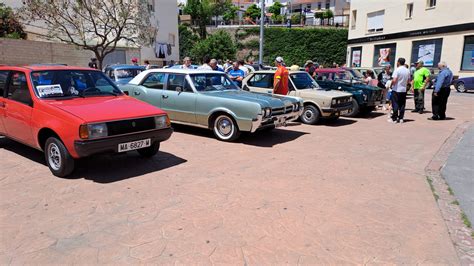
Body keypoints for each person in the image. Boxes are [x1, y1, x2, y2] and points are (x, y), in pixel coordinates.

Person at [388, 58, 410, 124]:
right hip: (403, 90)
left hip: (396, 89)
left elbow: (394, 80)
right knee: (402, 104)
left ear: (398, 62)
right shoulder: (407, 70)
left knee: (395, 104)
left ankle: (394, 118)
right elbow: (408, 81)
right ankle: (401, 118)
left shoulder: (397, 70)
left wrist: (391, 85)